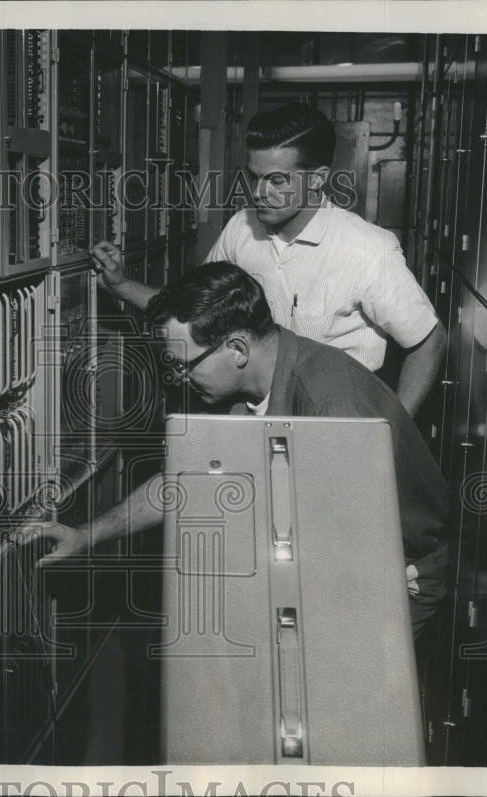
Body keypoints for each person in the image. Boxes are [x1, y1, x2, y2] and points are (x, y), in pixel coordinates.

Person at [22, 261, 451, 638]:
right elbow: (185, 482)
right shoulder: (258, 381)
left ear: (237, 349)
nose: (178, 378)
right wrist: (85, 536)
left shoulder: (329, 407)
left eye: (184, 364)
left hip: (394, 575)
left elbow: (352, 551)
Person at [90, 103, 446, 417]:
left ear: (318, 179)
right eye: (254, 177)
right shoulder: (240, 229)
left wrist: (393, 431)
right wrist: (121, 284)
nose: (259, 193)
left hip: (332, 419)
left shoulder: (369, 250)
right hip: (248, 414)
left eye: (277, 180)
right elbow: (192, 314)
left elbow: (428, 342)